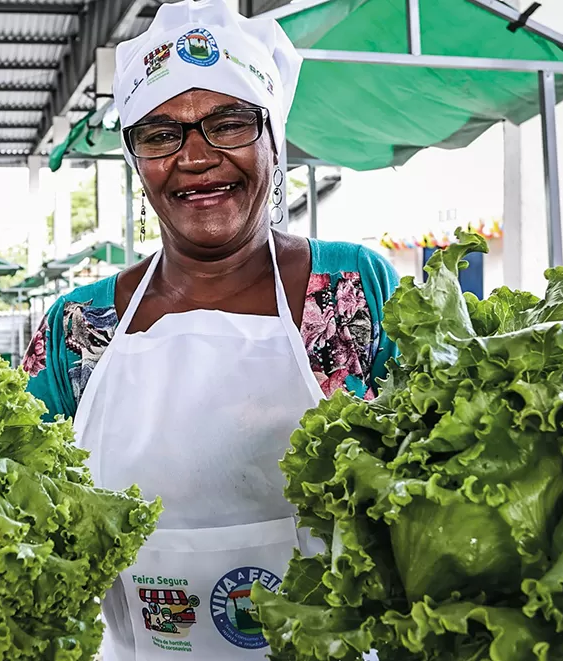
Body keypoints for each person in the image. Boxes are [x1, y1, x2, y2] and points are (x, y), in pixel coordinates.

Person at [20, 0, 399, 657]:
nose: (195, 157)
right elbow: (17, 509)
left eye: (228, 123)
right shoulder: (75, 326)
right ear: (137, 162)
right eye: (161, 133)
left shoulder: (353, 289)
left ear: (273, 140)